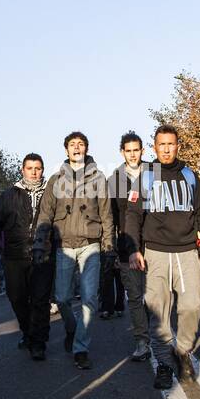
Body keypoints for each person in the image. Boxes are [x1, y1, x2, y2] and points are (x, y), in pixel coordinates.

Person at [121, 126, 200, 388]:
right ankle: (164, 363)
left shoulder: (189, 176)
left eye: (171, 144)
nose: (166, 149)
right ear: (154, 147)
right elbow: (132, 216)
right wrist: (133, 249)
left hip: (187, 252)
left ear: (178, 146)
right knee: (159, 313)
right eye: (161, 144)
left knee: (192, 306)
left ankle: (183, 350)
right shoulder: (144, 177)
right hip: (156, 254)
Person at [34, 131, 113, 370]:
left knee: (89, 299)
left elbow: (107, 215)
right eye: (72, 144)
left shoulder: (99, 178)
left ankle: (81, 348)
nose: (77, 148)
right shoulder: (56, 180)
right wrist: (39, 243)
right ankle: (72, 327)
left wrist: (108, 246)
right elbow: (45, 214)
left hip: (90, 244)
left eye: (81, 144)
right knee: (62, 298)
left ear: (86, 149)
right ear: (66, 150)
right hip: (64, 245)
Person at [0, 153, 53, 360]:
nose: (33, 172)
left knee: (40, 301)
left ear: (42, 170)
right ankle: (28, 332)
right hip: (14, 256)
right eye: (29, 168)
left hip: (43, 255)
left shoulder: (51, 193)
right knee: (17, 298)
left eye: (37, 168)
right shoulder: (9, 195)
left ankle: (38, 342)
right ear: (22, 170)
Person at [110, 132, 152, 361]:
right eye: (128, 150)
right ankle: (142, 341)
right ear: (122, 152)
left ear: (142, 151)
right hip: (127, 246)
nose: (133, 154)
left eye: (136, 149)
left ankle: (159, 336)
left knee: (157, 296)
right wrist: (115, 250)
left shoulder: (155, 173)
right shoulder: (114, 179)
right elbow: (113, 218)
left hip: (155, 244)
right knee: (135, 297)